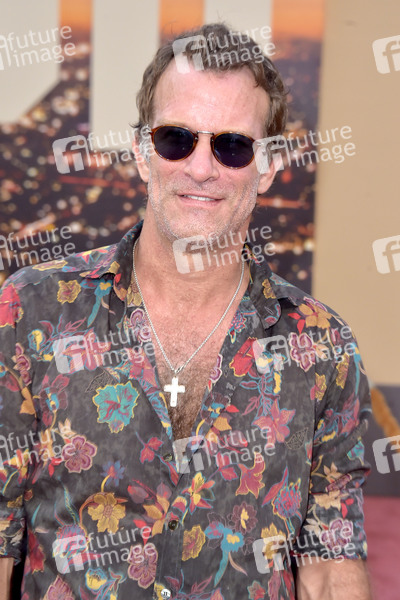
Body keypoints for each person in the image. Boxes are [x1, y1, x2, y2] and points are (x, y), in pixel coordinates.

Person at [0, 22, 372, 600]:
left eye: (232, 146)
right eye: (176, 138)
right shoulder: (31, 311)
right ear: (142, 153)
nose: (201, 168)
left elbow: (329, 568)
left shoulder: (321, 346)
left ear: (268, 167)